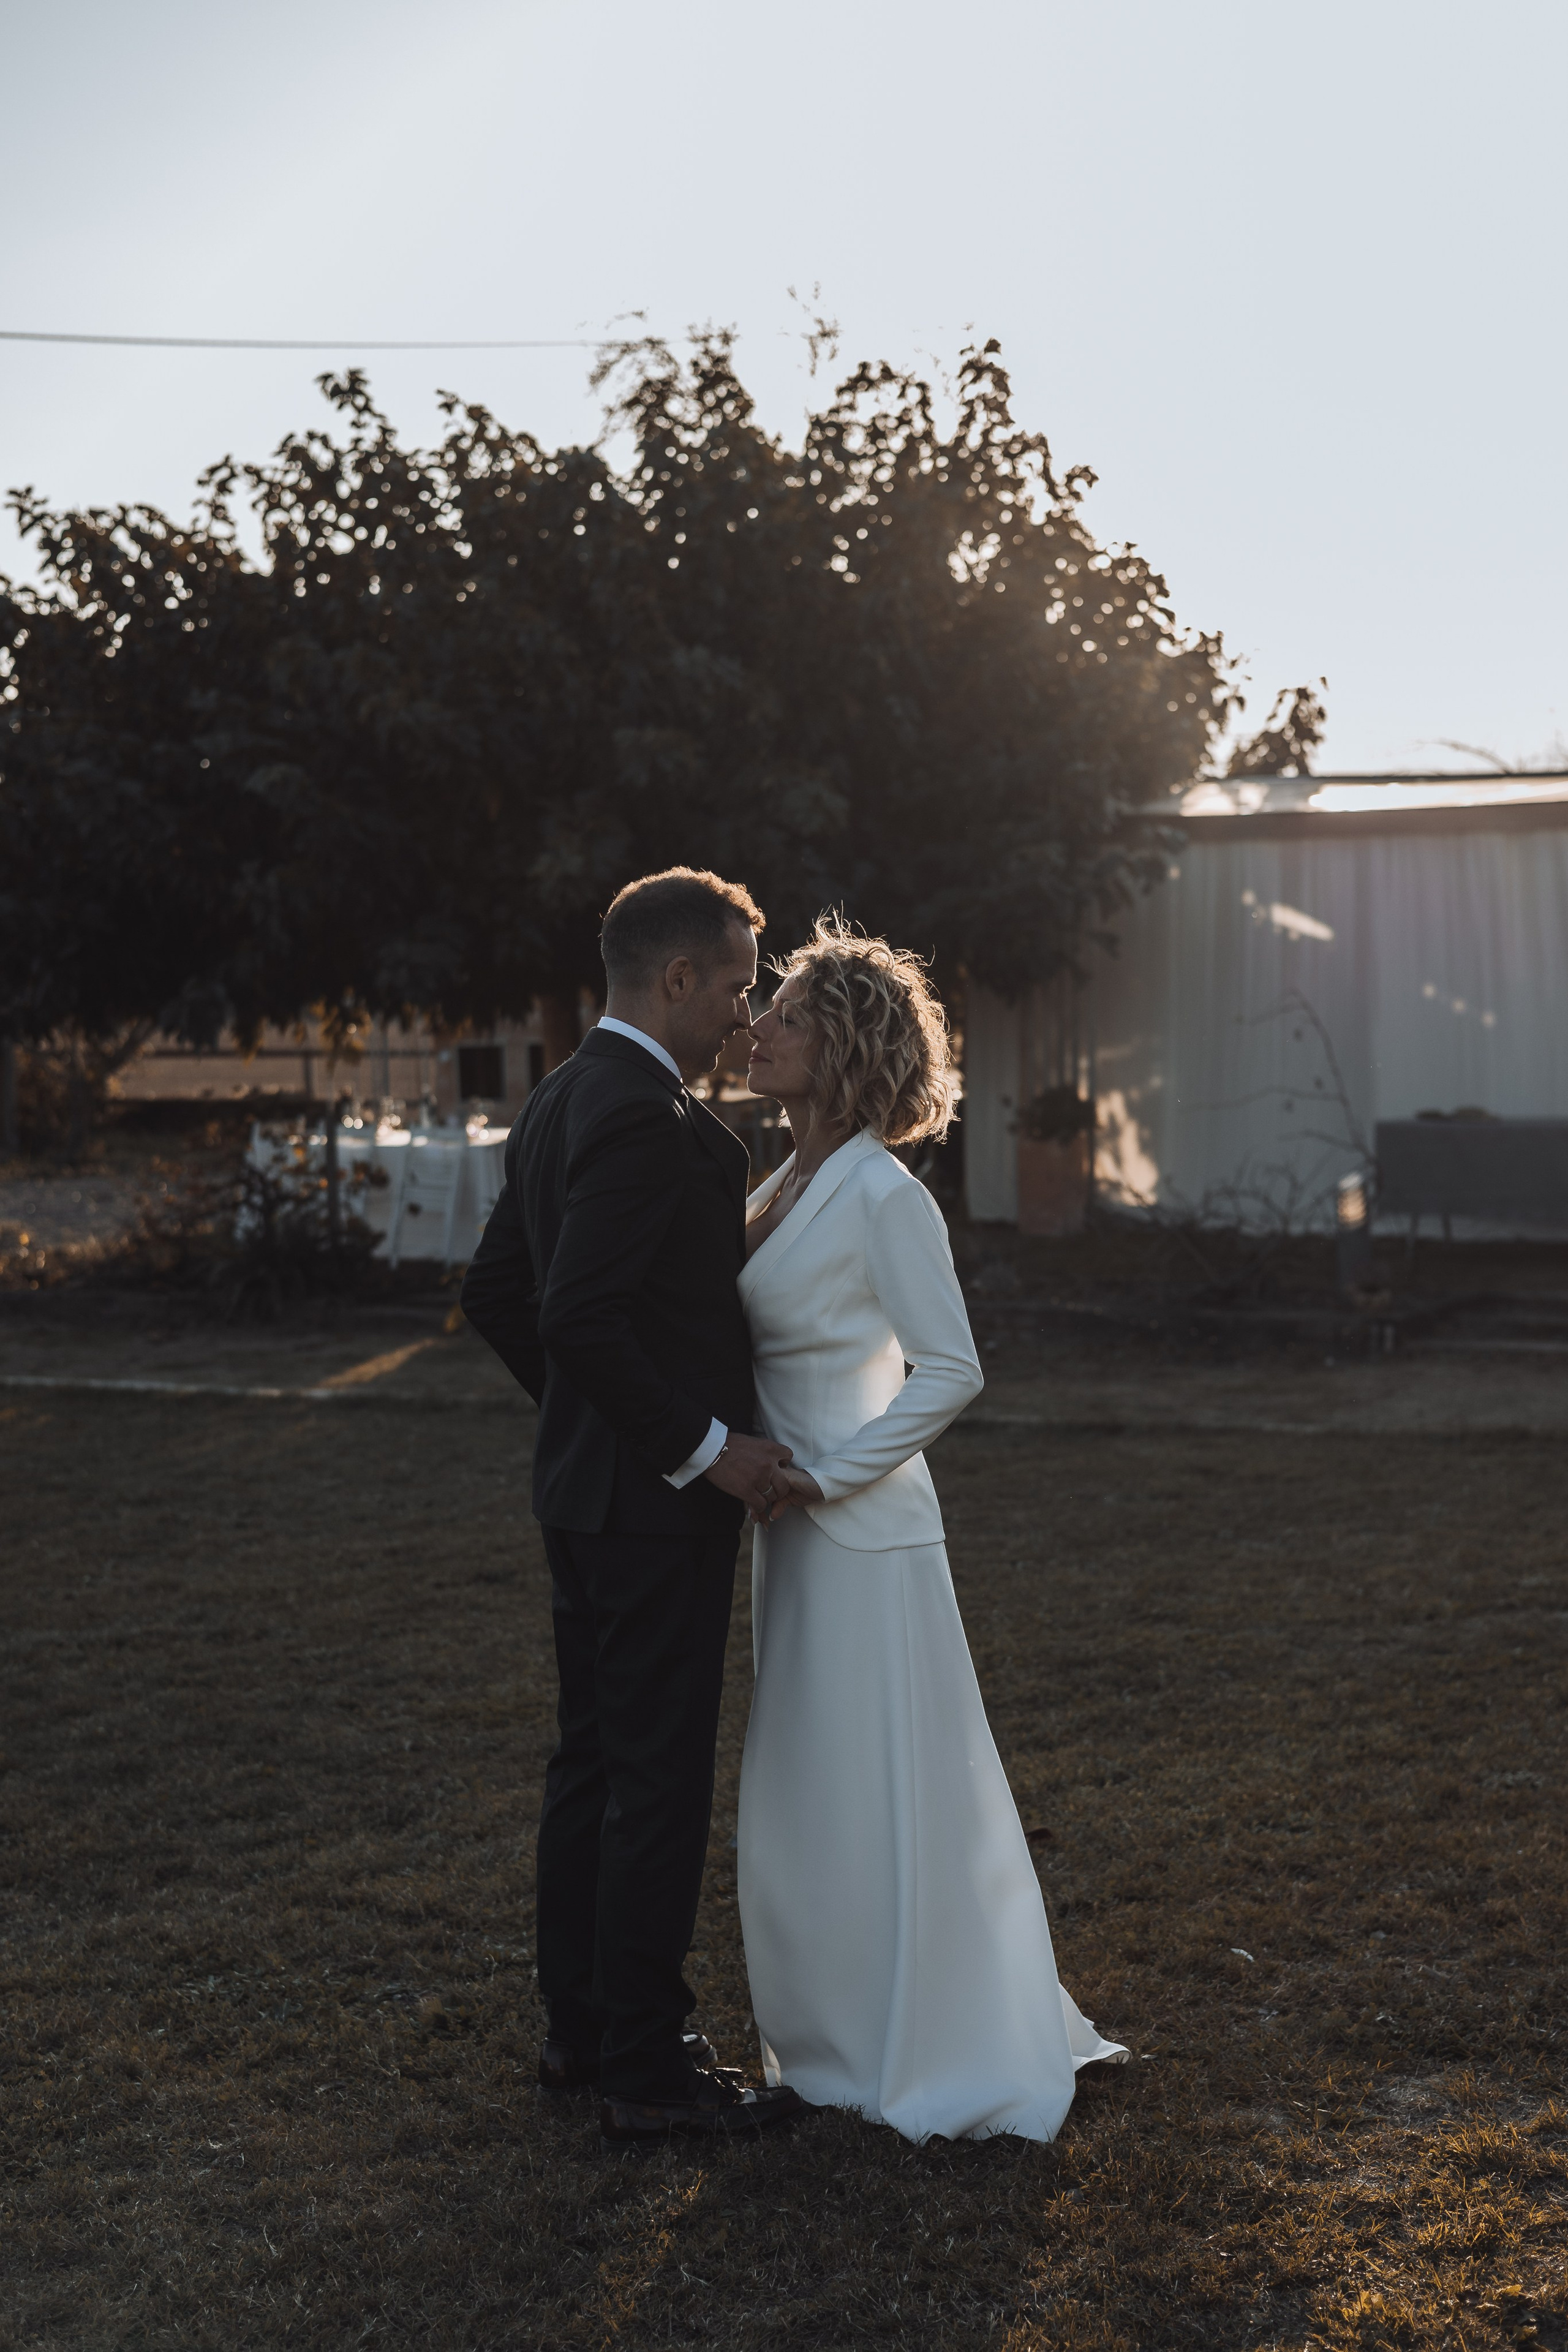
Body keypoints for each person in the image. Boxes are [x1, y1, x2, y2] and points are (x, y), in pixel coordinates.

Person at [736, 915, 1126, 2141]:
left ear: (844, 1048)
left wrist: (823, 1475)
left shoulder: (880, 1192)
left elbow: (947, 1370)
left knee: (879, 1794)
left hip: (860, 1533)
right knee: (808, 1797)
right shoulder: (781, 1178)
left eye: (787, 1013)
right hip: (788, 1532)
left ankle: (923, 2042)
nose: (757, 1027)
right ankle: (830, 2039)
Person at [460, 869, 805, 2150]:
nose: (741, 1007)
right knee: (650, 1778)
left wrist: (588, 1424)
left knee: (593, 1765)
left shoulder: (561, 1097)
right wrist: (701, 1449)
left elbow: (499, 1293)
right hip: (652, 1513)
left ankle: (583, 2036)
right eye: (732, 983)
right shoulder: (642, 1116)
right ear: (675, 979)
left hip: (586, 1498)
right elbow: (571, 1314)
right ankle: (647, 2072)